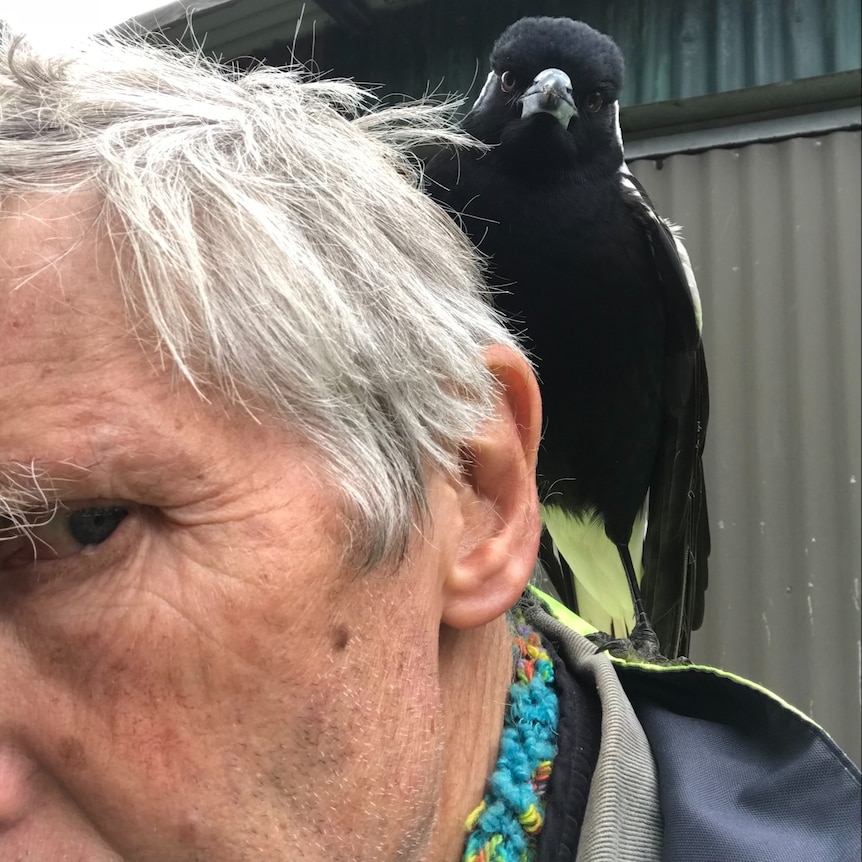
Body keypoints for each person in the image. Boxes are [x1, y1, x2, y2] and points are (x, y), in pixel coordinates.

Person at [0, 31, 858, 862]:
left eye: (92, 522)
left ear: (481, 486)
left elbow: (671, 437)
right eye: (518, 78)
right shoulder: (439, 191)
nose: (547, 98)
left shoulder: (640, 241)